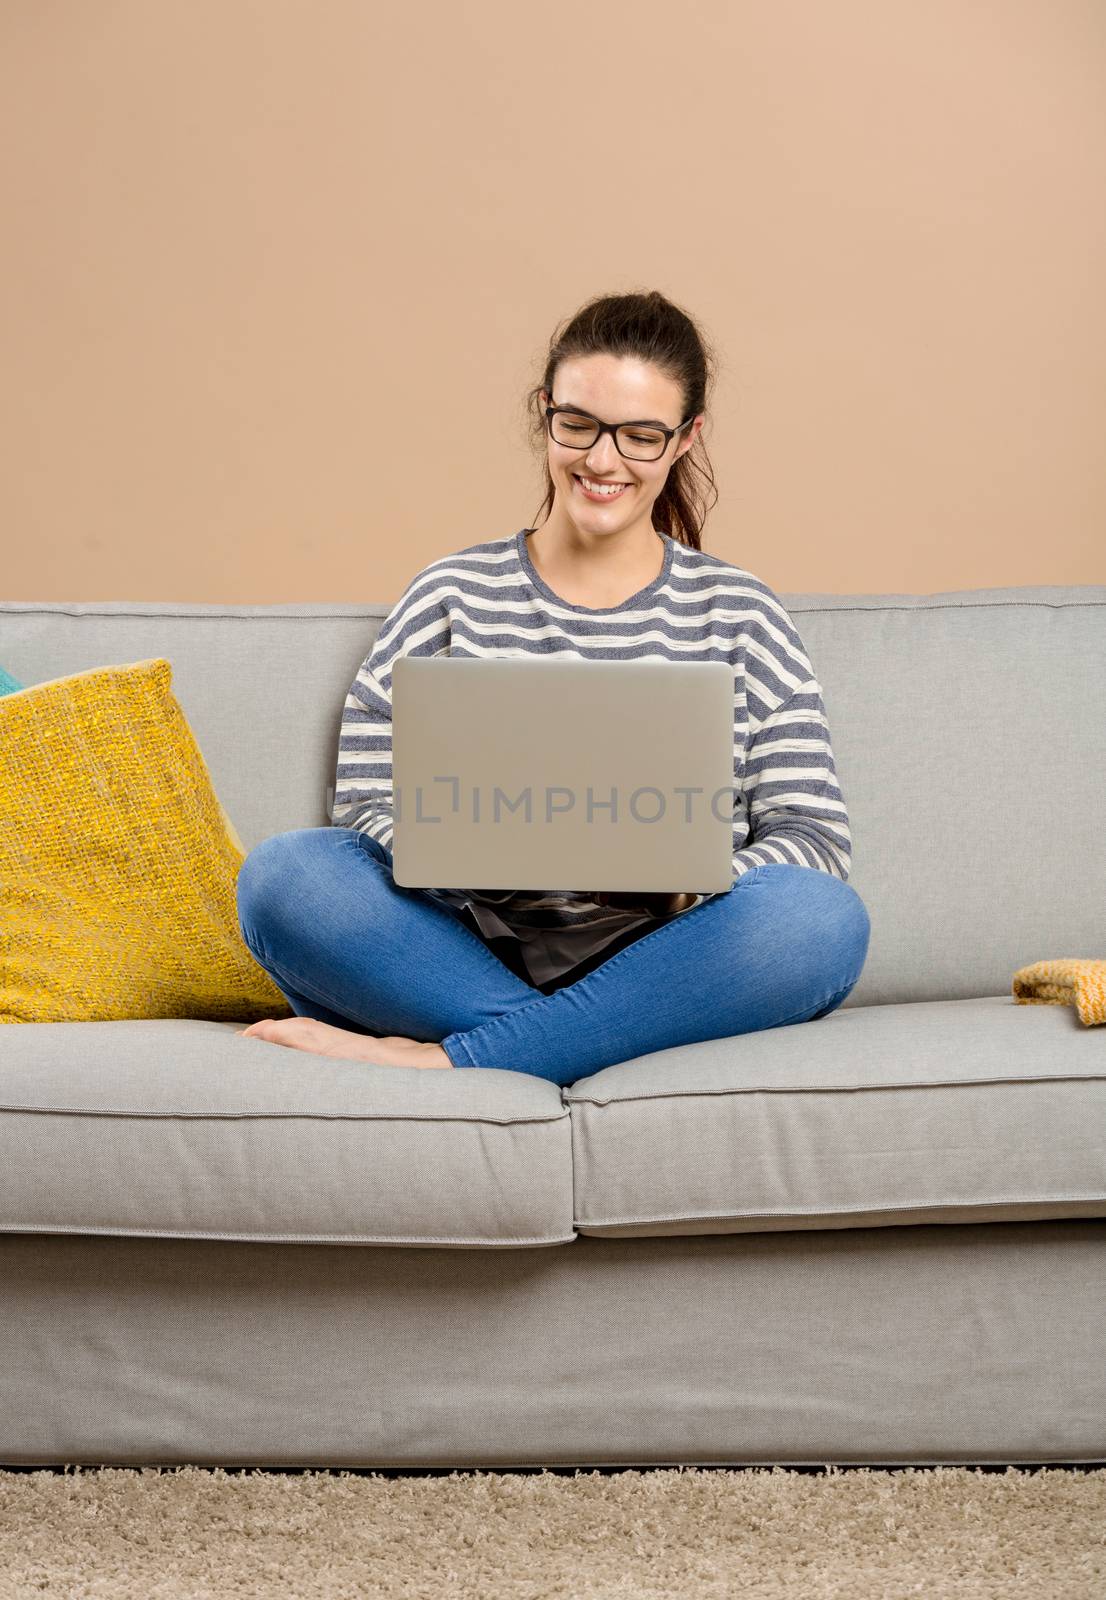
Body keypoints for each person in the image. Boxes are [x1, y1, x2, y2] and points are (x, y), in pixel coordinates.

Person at [235, 289, 871, 1085]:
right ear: (545, 414)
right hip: (471, 941)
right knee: (286, 878)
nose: (603, 462)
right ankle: (577, 1040)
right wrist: (472, 857)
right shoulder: (450, 594)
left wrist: (683, 885)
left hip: (676, 953)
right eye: (579, 425)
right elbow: (364, 809)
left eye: (641, 437)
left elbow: (812, 840)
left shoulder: (740, 613)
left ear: (685, 440)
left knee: (821, 921)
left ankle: (453, 1057)